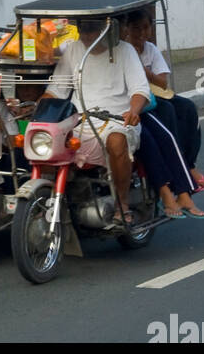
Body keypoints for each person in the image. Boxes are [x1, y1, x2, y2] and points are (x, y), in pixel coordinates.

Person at [42, 16, 150, 223]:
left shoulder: (125, 50)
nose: (87, 35)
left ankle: (122, 203)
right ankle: (49, 198)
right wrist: (37, 110)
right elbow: (56, 89)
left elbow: (140, 90)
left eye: (92, 29)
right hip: (80, 120)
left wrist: (134, 111)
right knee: (46, 139)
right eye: (83, 29)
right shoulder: (73, 50)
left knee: (117, 141)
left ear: (107, 29)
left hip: (118, 120)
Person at [123, 11, 204, 195]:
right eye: (136, 28)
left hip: (158, 93)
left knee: (188, 108)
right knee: (168, 112)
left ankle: (189, 164)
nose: (141, 32)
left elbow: (162, 82)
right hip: (138, 97)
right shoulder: (124, 49)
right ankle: (178, 167)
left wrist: (143, 70)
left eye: (145, 28)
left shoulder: (150, 49)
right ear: (127, 29)